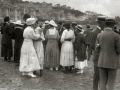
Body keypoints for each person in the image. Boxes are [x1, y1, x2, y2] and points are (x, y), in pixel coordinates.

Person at [97, 17, 120, 90]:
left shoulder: (99, 35)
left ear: (105, 25)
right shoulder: (116, 36)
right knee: (111, 83)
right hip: (112, 63)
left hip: (101, 62)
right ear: (113, 25)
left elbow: (97, 50)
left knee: (102, 82)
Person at [91, 16, 106, 90]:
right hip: (97, 56)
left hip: (104, 57)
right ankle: (95, 88)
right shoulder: (95, 32)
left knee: (103, 74)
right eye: (104, 23)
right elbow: (92, 46)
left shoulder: (103, 31)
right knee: (97, 74)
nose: (105, 24)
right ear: (100, 23)